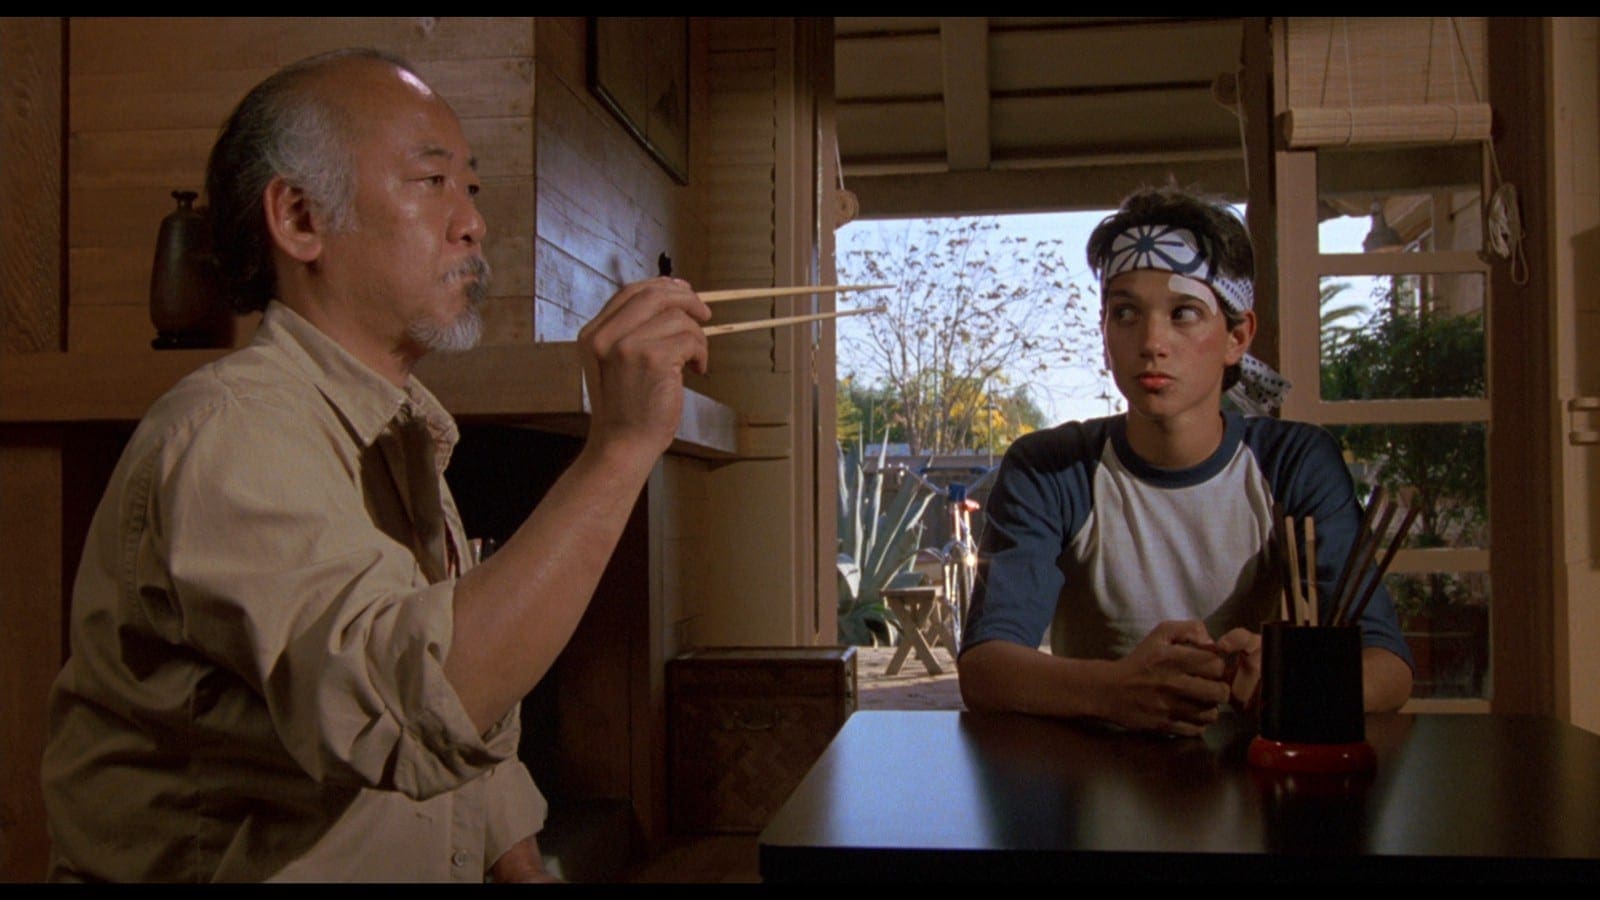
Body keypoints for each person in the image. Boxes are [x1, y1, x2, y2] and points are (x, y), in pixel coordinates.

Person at [40, 48, 712, 882]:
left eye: (471, 187)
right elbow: (416, 702)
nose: (472, 223)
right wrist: (617, 452)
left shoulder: (395, 429)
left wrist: (523, 870)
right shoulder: (233, 431)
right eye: (430, 183)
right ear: (298, 220)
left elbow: (471, 708)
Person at [958, 185, 1414, 736]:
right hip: (1092, 784)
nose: (1152, 341)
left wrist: (1290, 680)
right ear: (1104, 337)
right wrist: (1116, 690)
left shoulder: (1292, 462)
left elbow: (1388, 667)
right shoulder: (1053, 467)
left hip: (1259, 788)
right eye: (1125, 312)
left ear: (1237, 336)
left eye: (1184, 313)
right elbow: (985, 668)